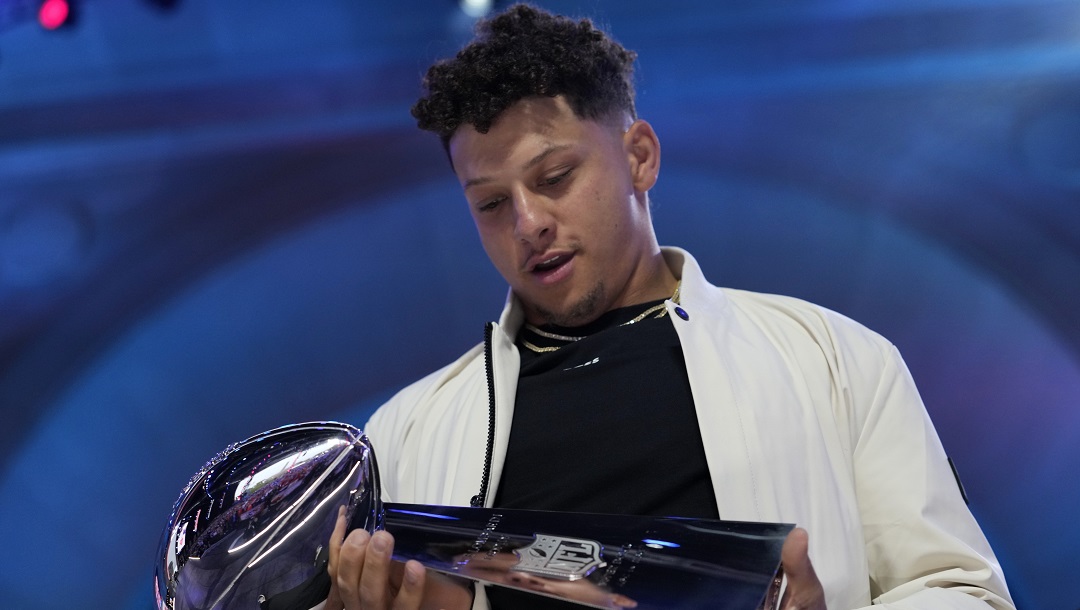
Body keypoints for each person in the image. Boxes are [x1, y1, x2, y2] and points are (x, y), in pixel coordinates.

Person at [323, 4, 1014, 609]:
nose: (527, 222)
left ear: (640, 157)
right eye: (492, 204)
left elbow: (964, 592)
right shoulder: (408, 432)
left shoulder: (833, 360)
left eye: (555, 177)